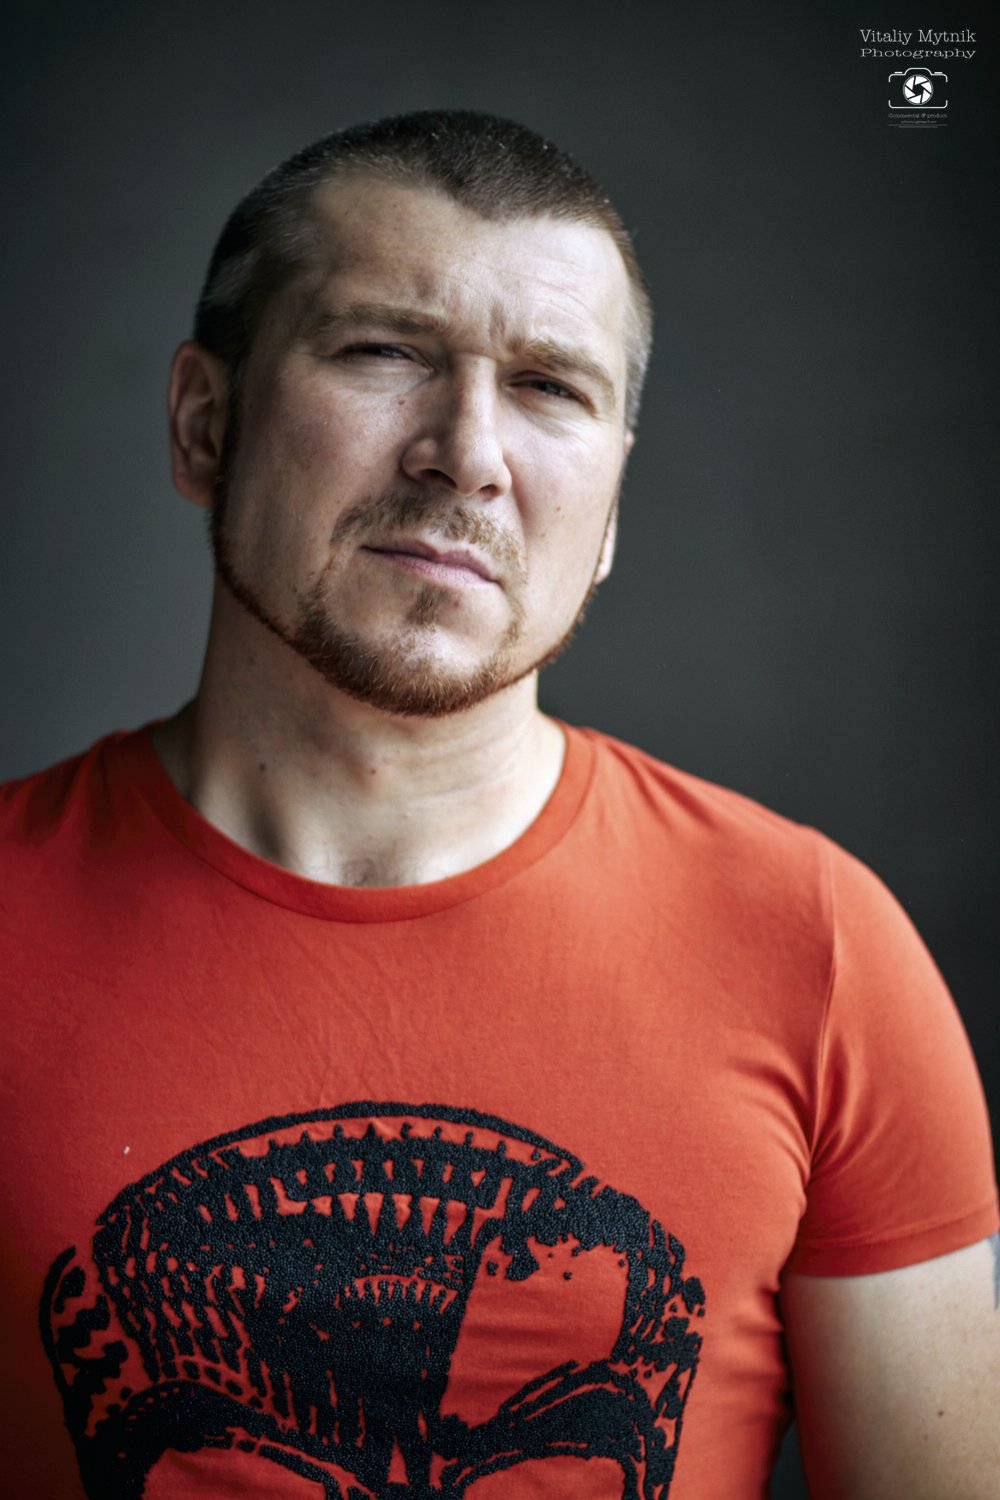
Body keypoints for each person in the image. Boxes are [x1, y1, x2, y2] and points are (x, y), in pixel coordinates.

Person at [0, 110, 996, 1500]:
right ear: (204, 424)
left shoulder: (821, 950)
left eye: (548, 387)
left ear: (611, 511)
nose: (467, 453)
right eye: (383, 352)